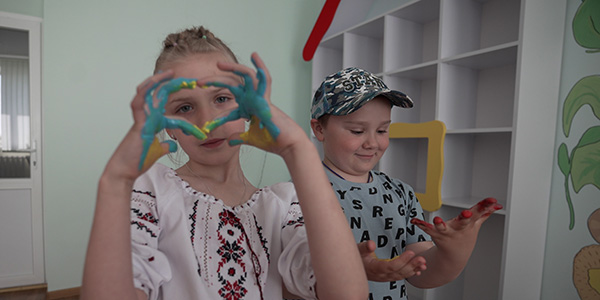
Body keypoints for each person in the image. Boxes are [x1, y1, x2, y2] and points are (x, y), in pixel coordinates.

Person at [81, 26, 368, 300]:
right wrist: (115, 183)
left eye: (221, 98)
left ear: (247, 108)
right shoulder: (151, 192)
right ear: (167, 125)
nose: (207, 123)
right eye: (185, 107)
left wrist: (298, 149)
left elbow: (347, 294)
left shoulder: (283, 206)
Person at [309, 67, 503, 300]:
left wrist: (453, 252)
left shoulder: (401, 192)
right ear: (319, 129)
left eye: (382, 130)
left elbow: (419, 272)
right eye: (357, 130)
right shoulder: (300, 193)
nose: (372, 142)